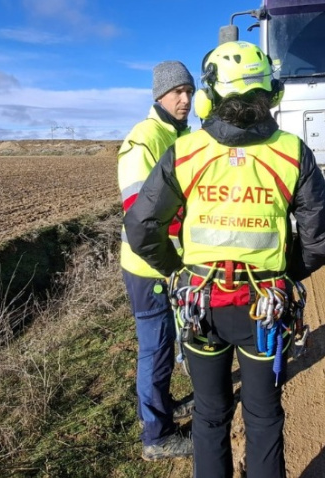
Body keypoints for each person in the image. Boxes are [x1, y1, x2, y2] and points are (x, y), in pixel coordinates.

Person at [123, 41, 325, 477]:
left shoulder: (185, 152)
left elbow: (142, 226)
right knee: (263, 415)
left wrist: (178, 270)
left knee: (209, 414)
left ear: (208, 96)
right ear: (271, 92)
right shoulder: (292, 152)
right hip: (263, 308)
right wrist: (283, 274)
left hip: (201, 305)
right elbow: (319, 238)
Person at [118, 60, 196, 461]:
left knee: (165, 344)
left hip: (169, 262)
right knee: (156, 348)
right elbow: (138, 213)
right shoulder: (145, 138)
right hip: (149, 264)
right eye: (177, 92)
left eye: (190, 92)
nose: (185, 100)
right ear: (158, 95)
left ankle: (163, 408)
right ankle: (157, 437)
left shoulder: (180, 135)